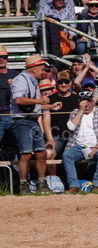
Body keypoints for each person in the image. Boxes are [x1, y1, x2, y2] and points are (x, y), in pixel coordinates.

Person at [11, 54, 59, 195]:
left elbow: (34, 105)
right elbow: (18, 100)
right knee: (25, 154)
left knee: (41, 153)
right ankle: (23, 185)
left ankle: (41, 183)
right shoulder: (20, 80)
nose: (44, 72)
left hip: (32, 120)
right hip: (21, 121)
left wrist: (49, 107)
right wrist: (40, 101)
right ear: (33, 69)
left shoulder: (33, 81)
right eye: (42, 69)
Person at [62, 90, 98, 193]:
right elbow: (71, 127)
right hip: (78, 146)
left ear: (92, 101)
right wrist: (80, 111)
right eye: (83, 101)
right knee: (67, 155)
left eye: (88, 100)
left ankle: (97, 185)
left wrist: (97, 147)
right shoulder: (75, 112)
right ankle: (73, 186)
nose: (86, 103)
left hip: (97, 145)